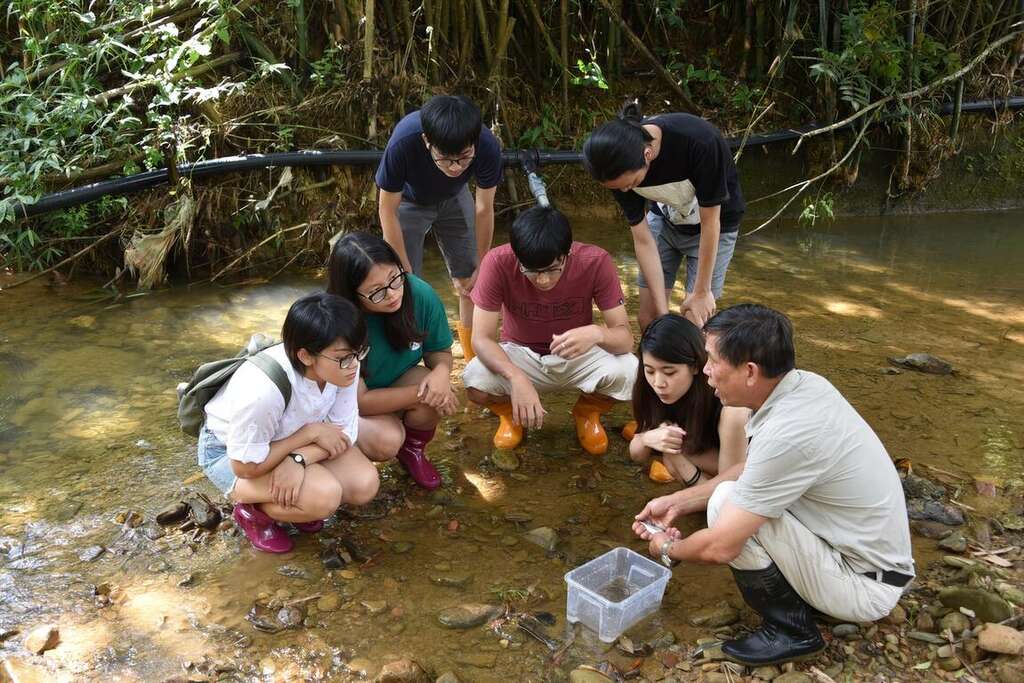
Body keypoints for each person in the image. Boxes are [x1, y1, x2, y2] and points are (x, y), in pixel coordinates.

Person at [633, 304, 914, 666]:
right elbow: (756, 469)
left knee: (724, 504)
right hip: (876, 563)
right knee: (729, 496)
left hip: (864, 588)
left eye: (713, 361)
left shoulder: (789, 434)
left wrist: (668, 548)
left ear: (750, 371)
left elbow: (720, 548)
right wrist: (680, 501)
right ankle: (808, 602)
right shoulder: (804, 387)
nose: (705, 371)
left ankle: (792, 631)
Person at [198, 292, 380, 553]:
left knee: (363, 484)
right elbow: (244, 467)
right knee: (324, 497)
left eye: (359, 351)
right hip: (228, 454)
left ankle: (296, 505)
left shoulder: (345, 364)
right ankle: (253, 514)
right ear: (306, 356)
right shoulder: (263, 391)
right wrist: (308, 434)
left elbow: (344, 432)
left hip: (283, 444)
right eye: (344, 357)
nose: (355, 364)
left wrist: (298, 459)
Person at [463, 205, 637, 455]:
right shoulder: (498, 262)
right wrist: (515, 377)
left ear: (568, 253)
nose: (543, 280)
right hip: (521, 354)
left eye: (552, 269)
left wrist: (596, 333)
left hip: (579, 353)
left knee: (631, 371)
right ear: (517, 256)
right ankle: (512, 415)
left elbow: (625, 340)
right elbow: (481, 339)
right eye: (531, 271)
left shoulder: (595, 261)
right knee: (474, 379)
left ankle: (587, 413)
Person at [583, 100, 745, 331]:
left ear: (647, 154)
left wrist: (701, 291)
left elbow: (711, 222)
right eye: (618, 188)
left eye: (632, 184)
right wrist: (662, 315)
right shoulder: (615, 172)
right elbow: (643, 239)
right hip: (665, 219)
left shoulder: (698, 141)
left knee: (695, 323)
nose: (625, 191)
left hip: (714, 224)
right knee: (649, 320)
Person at [375, 94, 502, 363]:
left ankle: (472, 362)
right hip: (408, 203)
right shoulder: (404, 141)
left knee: (471, 281)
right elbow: (387, 209)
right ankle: (410, 360)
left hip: (455, 198)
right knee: (405, 286)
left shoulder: (487, 144)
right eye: (445, 158)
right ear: (426, 141)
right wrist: (404, 271)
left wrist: (482, 262)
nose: (455, 167)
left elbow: (483, 208)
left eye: (464, 158)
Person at [327, 231, 458, 490]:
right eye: (376, 292)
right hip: (343, 409)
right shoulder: (337, 321)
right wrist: (423, 393)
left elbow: (438, 351)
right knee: (386, 440)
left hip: (393, 385)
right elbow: (361, 402)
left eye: (395, 278)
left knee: (435, 385)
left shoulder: (418, 293)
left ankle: (413, 450)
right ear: (353, 295)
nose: (392, 294)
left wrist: (442, 372)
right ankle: (341, 463)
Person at [629, 313, 748, 496]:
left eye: (669, 372)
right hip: (709, 463)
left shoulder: (729, 404)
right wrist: (646, 438)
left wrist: (675, 455)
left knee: (672, 458)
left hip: (748, 475)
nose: (658, 382)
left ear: (695, 366)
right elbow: (636, 454)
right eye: (650, 371)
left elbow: (730, 491)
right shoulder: (649, 388)